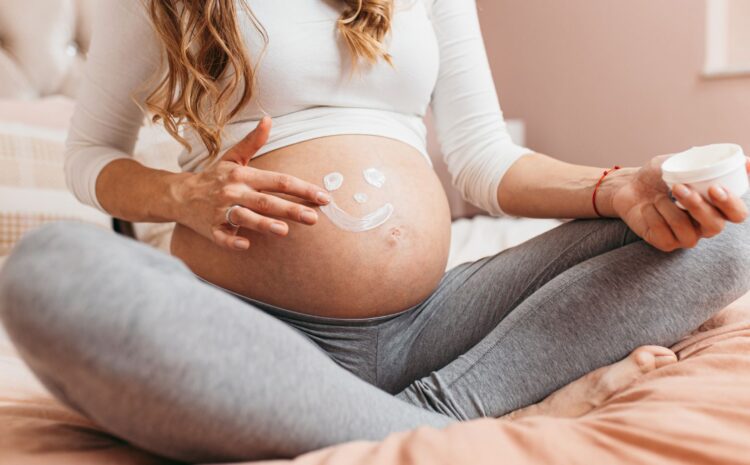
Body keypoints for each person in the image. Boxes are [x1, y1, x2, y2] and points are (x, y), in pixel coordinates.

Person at [1, 0, 749, 462]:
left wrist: (615, 188)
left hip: (431, 325)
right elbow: (89, 155)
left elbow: (483, 159)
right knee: (45, 267)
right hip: (252, 335)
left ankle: (434, 407)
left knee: (717, 232)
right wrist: (183, 193)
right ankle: (453, 423)